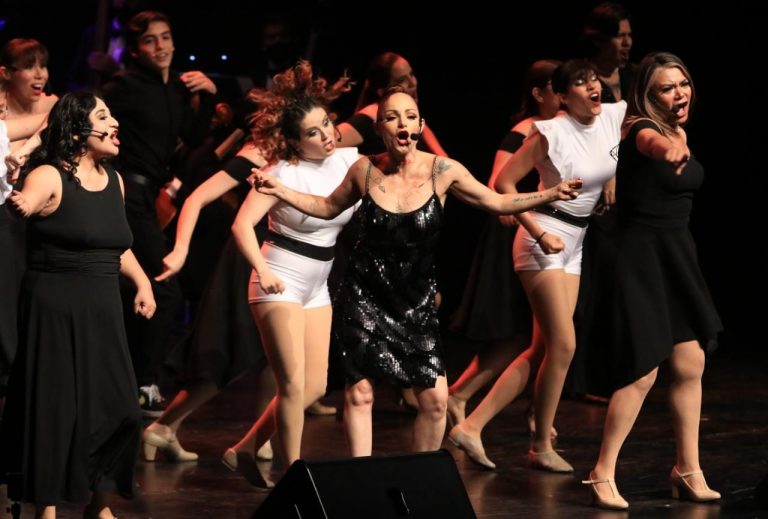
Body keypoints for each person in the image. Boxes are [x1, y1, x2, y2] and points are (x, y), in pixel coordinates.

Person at [253, 87, 581, 457]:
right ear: (380, 128)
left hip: (415, 301)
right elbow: (327, 207)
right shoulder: (364, 169)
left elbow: (497, 200)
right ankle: (365, 481)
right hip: (364, 295)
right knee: (360, 394)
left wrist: (550, 194)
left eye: (410, 116)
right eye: (392, 117)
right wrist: (280, 190)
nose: (402, 123)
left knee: (436, 400)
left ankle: (419, 479)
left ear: (421, 125)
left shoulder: (443, 171)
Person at [448, 60, 625, 472]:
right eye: (580, 84)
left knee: (543, 347)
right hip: (542, 237)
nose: (592, 87)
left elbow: (622, 141)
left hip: (576, 241)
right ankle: (541, 443)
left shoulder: (612, 116)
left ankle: (471, 426)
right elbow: (503, 185)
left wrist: (613, 178)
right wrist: (538, 229)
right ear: (561, 97)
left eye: (593, 79)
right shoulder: (550, 133)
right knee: (564, 344)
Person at [0, 92, 156, 519]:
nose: (114, 123)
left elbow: (116, 246)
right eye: (103, 115)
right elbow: (29, 200)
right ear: (75, 129)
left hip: (103, 309)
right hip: (55, 307)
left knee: (121, 409)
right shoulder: (51, 175)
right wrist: (23, 201)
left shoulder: (115, 181)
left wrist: (143, 283)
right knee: (54, 410)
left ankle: (98, 503)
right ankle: (44, 507)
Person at [580, 52, 721, 510]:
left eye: (683, 84)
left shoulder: (680, 130)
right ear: (647, 94)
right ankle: (601, 473)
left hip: (676, 255)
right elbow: (647, 146)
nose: (679, 94)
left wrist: (677, 144)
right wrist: (667, 149)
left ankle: (687, 468)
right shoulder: (641, 128)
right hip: (640, 257)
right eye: (667, 87)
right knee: (644, 367)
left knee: (690, 362)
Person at [226, 60, 356, 485]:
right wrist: (262, 270)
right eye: (313, 133)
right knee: (293, 384)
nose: (325, 137)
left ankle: (245, 447)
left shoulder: (349, 162)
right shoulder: (281, 173)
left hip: (318, 283)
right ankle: (294, 477)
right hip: (279, 277)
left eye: (326, 125)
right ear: (295, 142)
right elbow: (241, 225)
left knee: (316, 387)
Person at [141, 98, 277, 465]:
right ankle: (165, 426)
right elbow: (197, 197)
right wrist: (181, 249)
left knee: (275, 357)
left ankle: (259, 437)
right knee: (228, 351)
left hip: (281, 260)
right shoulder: (258, 153)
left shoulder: (305, 155)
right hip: (249, 260)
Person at [101, 10, 217, 417]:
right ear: (135, 49)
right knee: (163, 287)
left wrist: (208, 95)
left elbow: (193, 138)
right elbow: (88, 120)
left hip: (153, 197)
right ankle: (144, 382)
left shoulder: (174, 89)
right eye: (151, 40)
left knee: (148, 290)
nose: (162, 46)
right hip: (127, 194)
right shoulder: (124, 86)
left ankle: (132, 379)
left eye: (166, 37)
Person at [447, 60, 561, 436]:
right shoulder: (526, 130)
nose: (563, 95)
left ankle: (472, 397)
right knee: (527, 334)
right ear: (538, 93)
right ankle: (466, 397)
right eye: (556, 88)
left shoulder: (559, 128)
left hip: (548, 235)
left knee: (532, 336)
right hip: (518, 232)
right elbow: (499, 182)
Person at [336, 52, 447, 156]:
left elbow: (443, 159)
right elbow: (324, 143)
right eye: (402, 80)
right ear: (382, 91)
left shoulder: (412, 115)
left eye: (411, 74)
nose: (413, 83)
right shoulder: (368, 117)